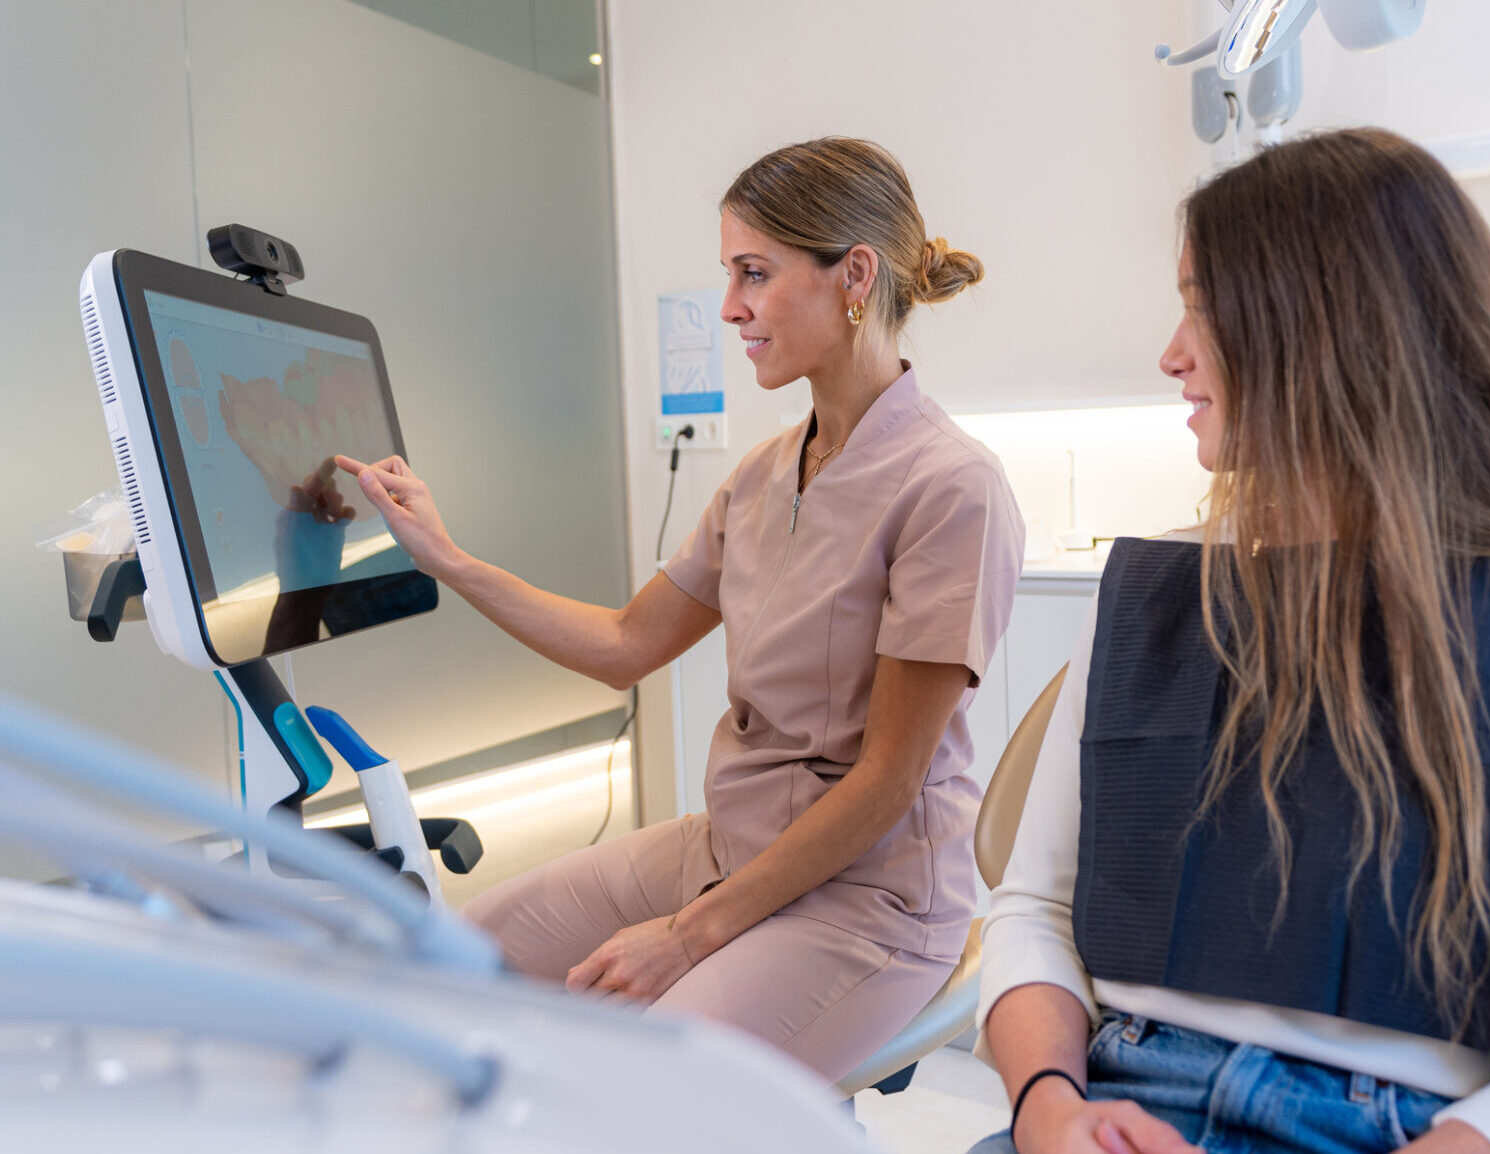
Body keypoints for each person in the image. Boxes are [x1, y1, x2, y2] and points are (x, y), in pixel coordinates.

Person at [975, 128, 1490, 1154]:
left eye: (1202, 303)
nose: (1170, 351)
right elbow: (1031, 910)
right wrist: (1046, 1107)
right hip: (1118, 1095)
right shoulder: (1159, 598)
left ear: (1320, 326)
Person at [339, 136, 1025, 1083]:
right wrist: (449, 559)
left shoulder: (951, 488)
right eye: (729, 274)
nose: (731, 308)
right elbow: (627, 644)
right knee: (450, 965)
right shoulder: (761, 475)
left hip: (872, 897)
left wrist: (685, 938)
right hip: (730, 847)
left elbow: (886, 784)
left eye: (755, 273)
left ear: (854, 274)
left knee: (646, 1085)